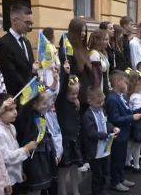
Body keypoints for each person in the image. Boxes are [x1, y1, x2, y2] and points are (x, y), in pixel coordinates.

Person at [0, 94, 38, 189]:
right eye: (10, 110)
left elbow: (15, 149)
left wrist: (20, 172)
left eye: (15, 108)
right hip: (6, 181)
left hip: (15, 176)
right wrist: (26, 149)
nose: (15, 112)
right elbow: (6, 158)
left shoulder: (12, 127)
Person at [106, 71, 141, 192]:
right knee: (117, 159)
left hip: (124, 133)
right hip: (118, 134)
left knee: (121, 158)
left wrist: (134, 113)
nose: (127, 85)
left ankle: (121, 178)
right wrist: (132, 117)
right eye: (125, 82)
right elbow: (114, 119)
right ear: (117, 82)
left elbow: (125, 112)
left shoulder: (121, 96)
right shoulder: (112, 99)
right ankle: (115, 182)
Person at [15, 92, 57, 194]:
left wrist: (54, 153)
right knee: (36, 188)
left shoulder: (41, 116)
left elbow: (46, 136)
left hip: (44, 156)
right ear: (33, 104)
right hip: (35, 159)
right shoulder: (29, 117)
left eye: (48, 102)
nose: (47, 105)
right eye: (44, 103)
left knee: (43, 187)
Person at [81, 87, 120, 195]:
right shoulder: (87, 115)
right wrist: (107, 135)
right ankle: (97, 192)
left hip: (105, 149)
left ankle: (103, 191)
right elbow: (91, 133)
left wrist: (113, 128)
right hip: (95, 151)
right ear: (90, 101)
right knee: (97, 176)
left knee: (105, 173)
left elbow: (106, 123)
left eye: (102, 101)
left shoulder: (102, 110)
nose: (101, 104)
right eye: (98, 102)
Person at [55, 61, 83, 195]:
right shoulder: (60, 102)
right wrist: (65, 73)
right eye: (72, 94)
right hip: (64, 140)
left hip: (74, 138)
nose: (75, 97)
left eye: (77, 94)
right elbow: (61, 90)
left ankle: (75, 190)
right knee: (63, 169)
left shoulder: (75, 103)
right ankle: (63, 192)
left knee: (74, 167)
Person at [0, 4, 36, 96]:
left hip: (30, 94)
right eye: (27, 23)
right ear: (15, 21)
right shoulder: (4, 43)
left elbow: (30, 67)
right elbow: (10, 74)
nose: (30, 27)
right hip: (16, 96)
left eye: (31, 23)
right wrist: (29, 92)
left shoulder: (26, 42)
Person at [59, 18, 93, 111]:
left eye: (85, 31)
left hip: (87, 95)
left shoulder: (83, 46)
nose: (84, 34)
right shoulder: (67, 48)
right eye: (81, 31)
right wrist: (74, 96)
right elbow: (68, 73)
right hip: (77, 96)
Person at [125, 70, 141, 173]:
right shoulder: (136, 96)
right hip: (137, 123)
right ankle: (136, 165)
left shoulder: (131, 96)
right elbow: (137, 110)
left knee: (131, 143)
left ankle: (127, 162)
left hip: (132, 123)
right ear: (136, 84)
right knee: (137, 144)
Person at [88, 30, 111, 94]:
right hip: (100, 88)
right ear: (98, 41)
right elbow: (96, 76)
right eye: (105, 39)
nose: (108, 42)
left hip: (105, 86)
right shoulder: (94, 54)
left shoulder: (101, 53)